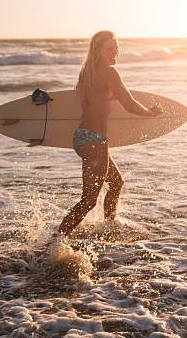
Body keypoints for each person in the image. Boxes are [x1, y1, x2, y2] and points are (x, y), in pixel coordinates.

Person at [57, 30, 163, 237]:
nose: (115, 52)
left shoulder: (86, 73)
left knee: (116, 183)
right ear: (98, 51)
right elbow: (129, 103)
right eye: (109, 49)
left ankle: (108, 227)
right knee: (88, 199)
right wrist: (150, 113)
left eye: (117, 48)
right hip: (95, 140)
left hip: (82, 138)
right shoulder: (109, 72)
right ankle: (55, 241)